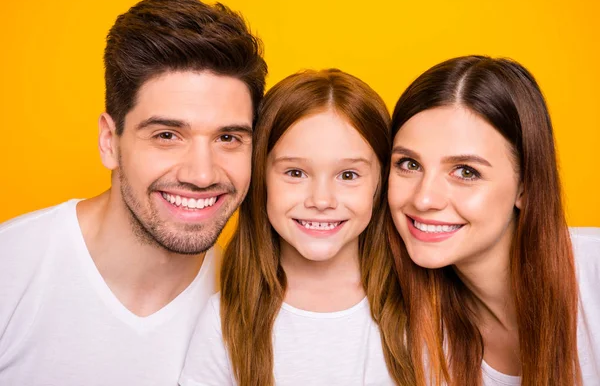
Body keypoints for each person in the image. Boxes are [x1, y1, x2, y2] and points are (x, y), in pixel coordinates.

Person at [0, 0, 267, 385]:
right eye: (166, 134)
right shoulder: (11, 268)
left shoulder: (250, 310)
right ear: (110, 141)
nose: (202, 173)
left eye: (228, 138)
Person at [179, 69, 417, 385]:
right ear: (260, 177)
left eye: (348, 175)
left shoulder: (421, 314)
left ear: (381, 183)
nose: (321, 200)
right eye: (295, 173)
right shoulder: (223, 321)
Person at [387, 55, 600, 385]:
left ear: (525, 186)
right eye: (409, 164)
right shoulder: (402, 329)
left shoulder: (594, 276)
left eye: (466, 172)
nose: (424, 199)